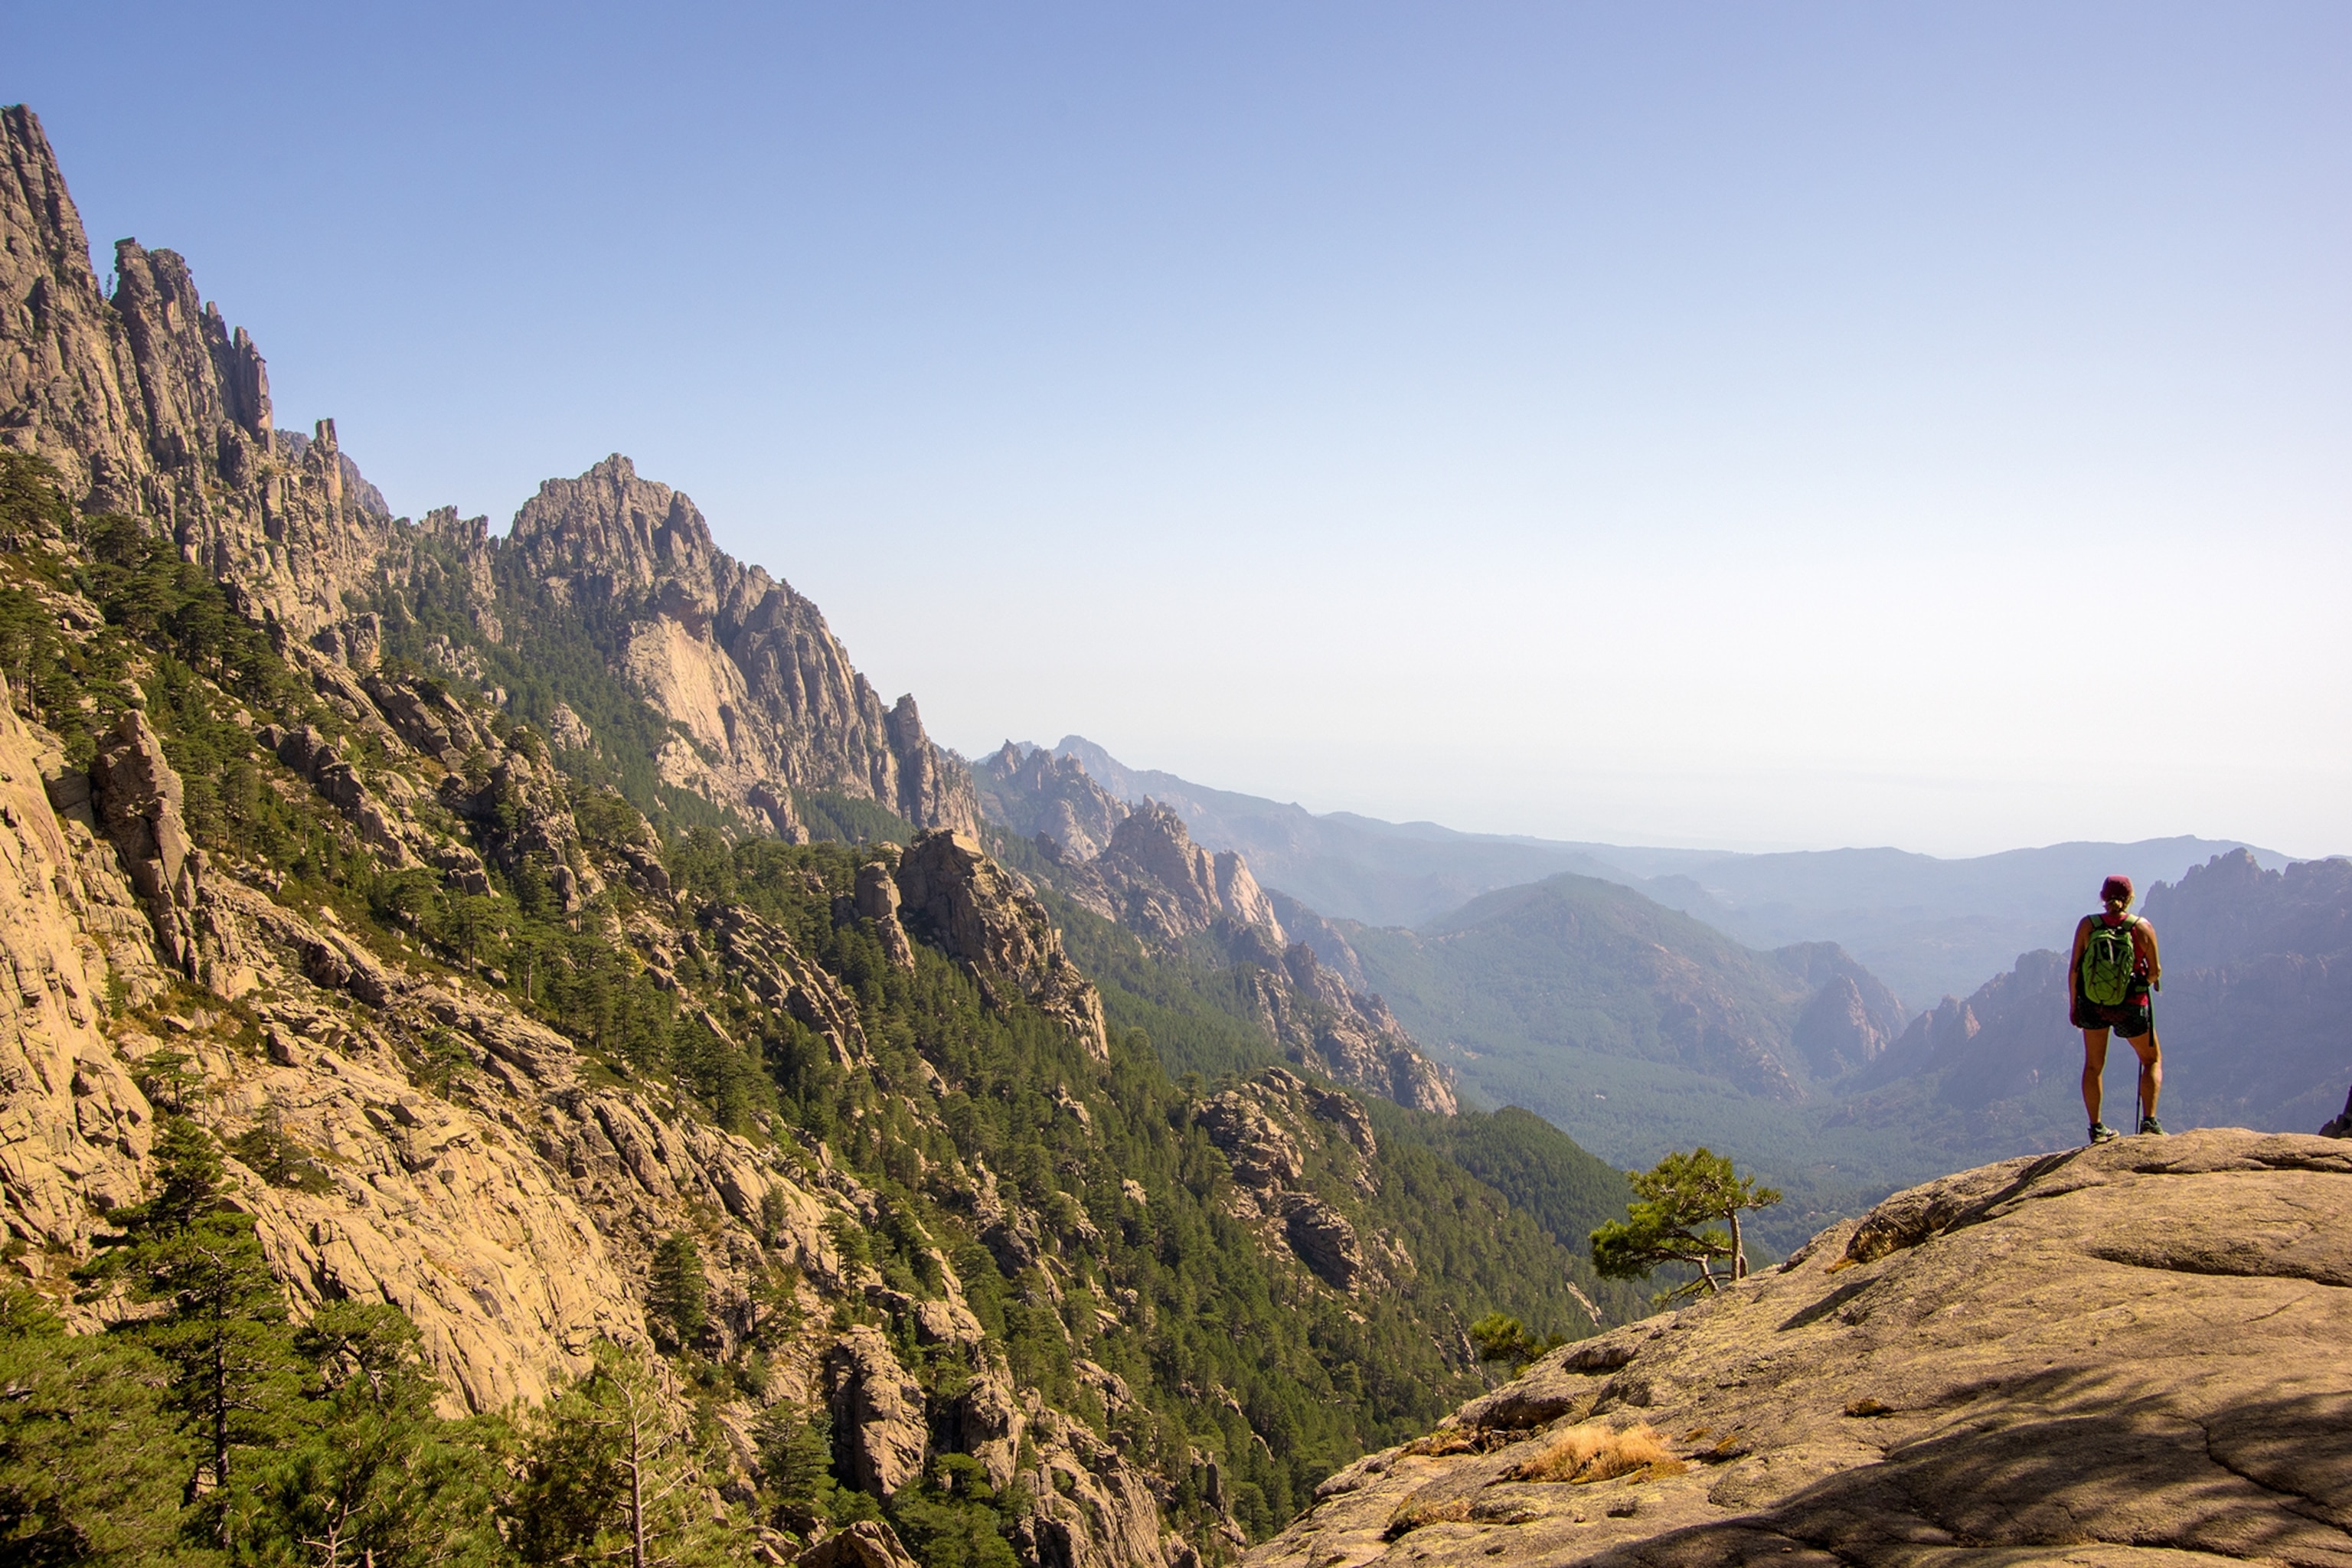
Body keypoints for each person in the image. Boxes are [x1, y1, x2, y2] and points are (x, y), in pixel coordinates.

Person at [2069, 874, 2163, 1144]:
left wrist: (2075, 1004)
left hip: (2093, 1004)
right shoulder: (2142, 927)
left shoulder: (2089, 925)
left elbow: (2075, 968)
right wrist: (2142, 980)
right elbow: (2155, 972)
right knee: (2151, 1060)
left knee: (2094, 1066)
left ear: (2102, 896)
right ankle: (2149, 1123)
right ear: (2131, 897)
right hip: (2130, 1006)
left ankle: (2096, 1129)